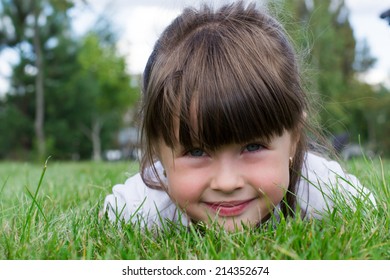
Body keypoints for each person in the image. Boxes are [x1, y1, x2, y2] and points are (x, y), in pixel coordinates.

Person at [102, 1, 375, 231]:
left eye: (253, 147)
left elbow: (371, 217)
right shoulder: (143, 206)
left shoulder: (320, 188)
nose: (227, 182)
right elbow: (106, 222)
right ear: (158, 153)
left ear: (293, 138)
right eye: (196, 152)